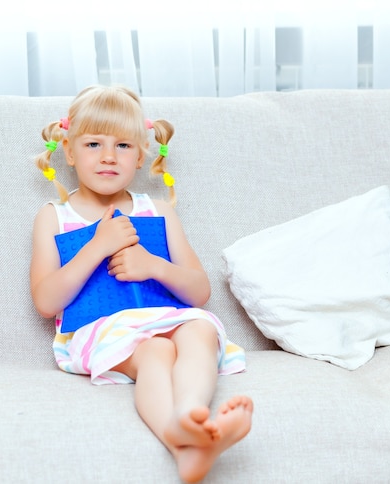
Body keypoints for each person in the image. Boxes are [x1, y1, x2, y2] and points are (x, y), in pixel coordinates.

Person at [30, 85, 253, 483]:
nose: (109, 156)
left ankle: (189, 419)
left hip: (167, 316)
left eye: (124, 145)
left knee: (199, 326)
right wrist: (97, 246)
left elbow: (200, 292)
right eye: (94, 143)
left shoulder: (159, 211)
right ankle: (180, 439)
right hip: (100, 331)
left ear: (141, 155)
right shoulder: (54, 216)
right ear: (68, 151)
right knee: (154, 350)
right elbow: (46, 302)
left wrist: (154, 266)